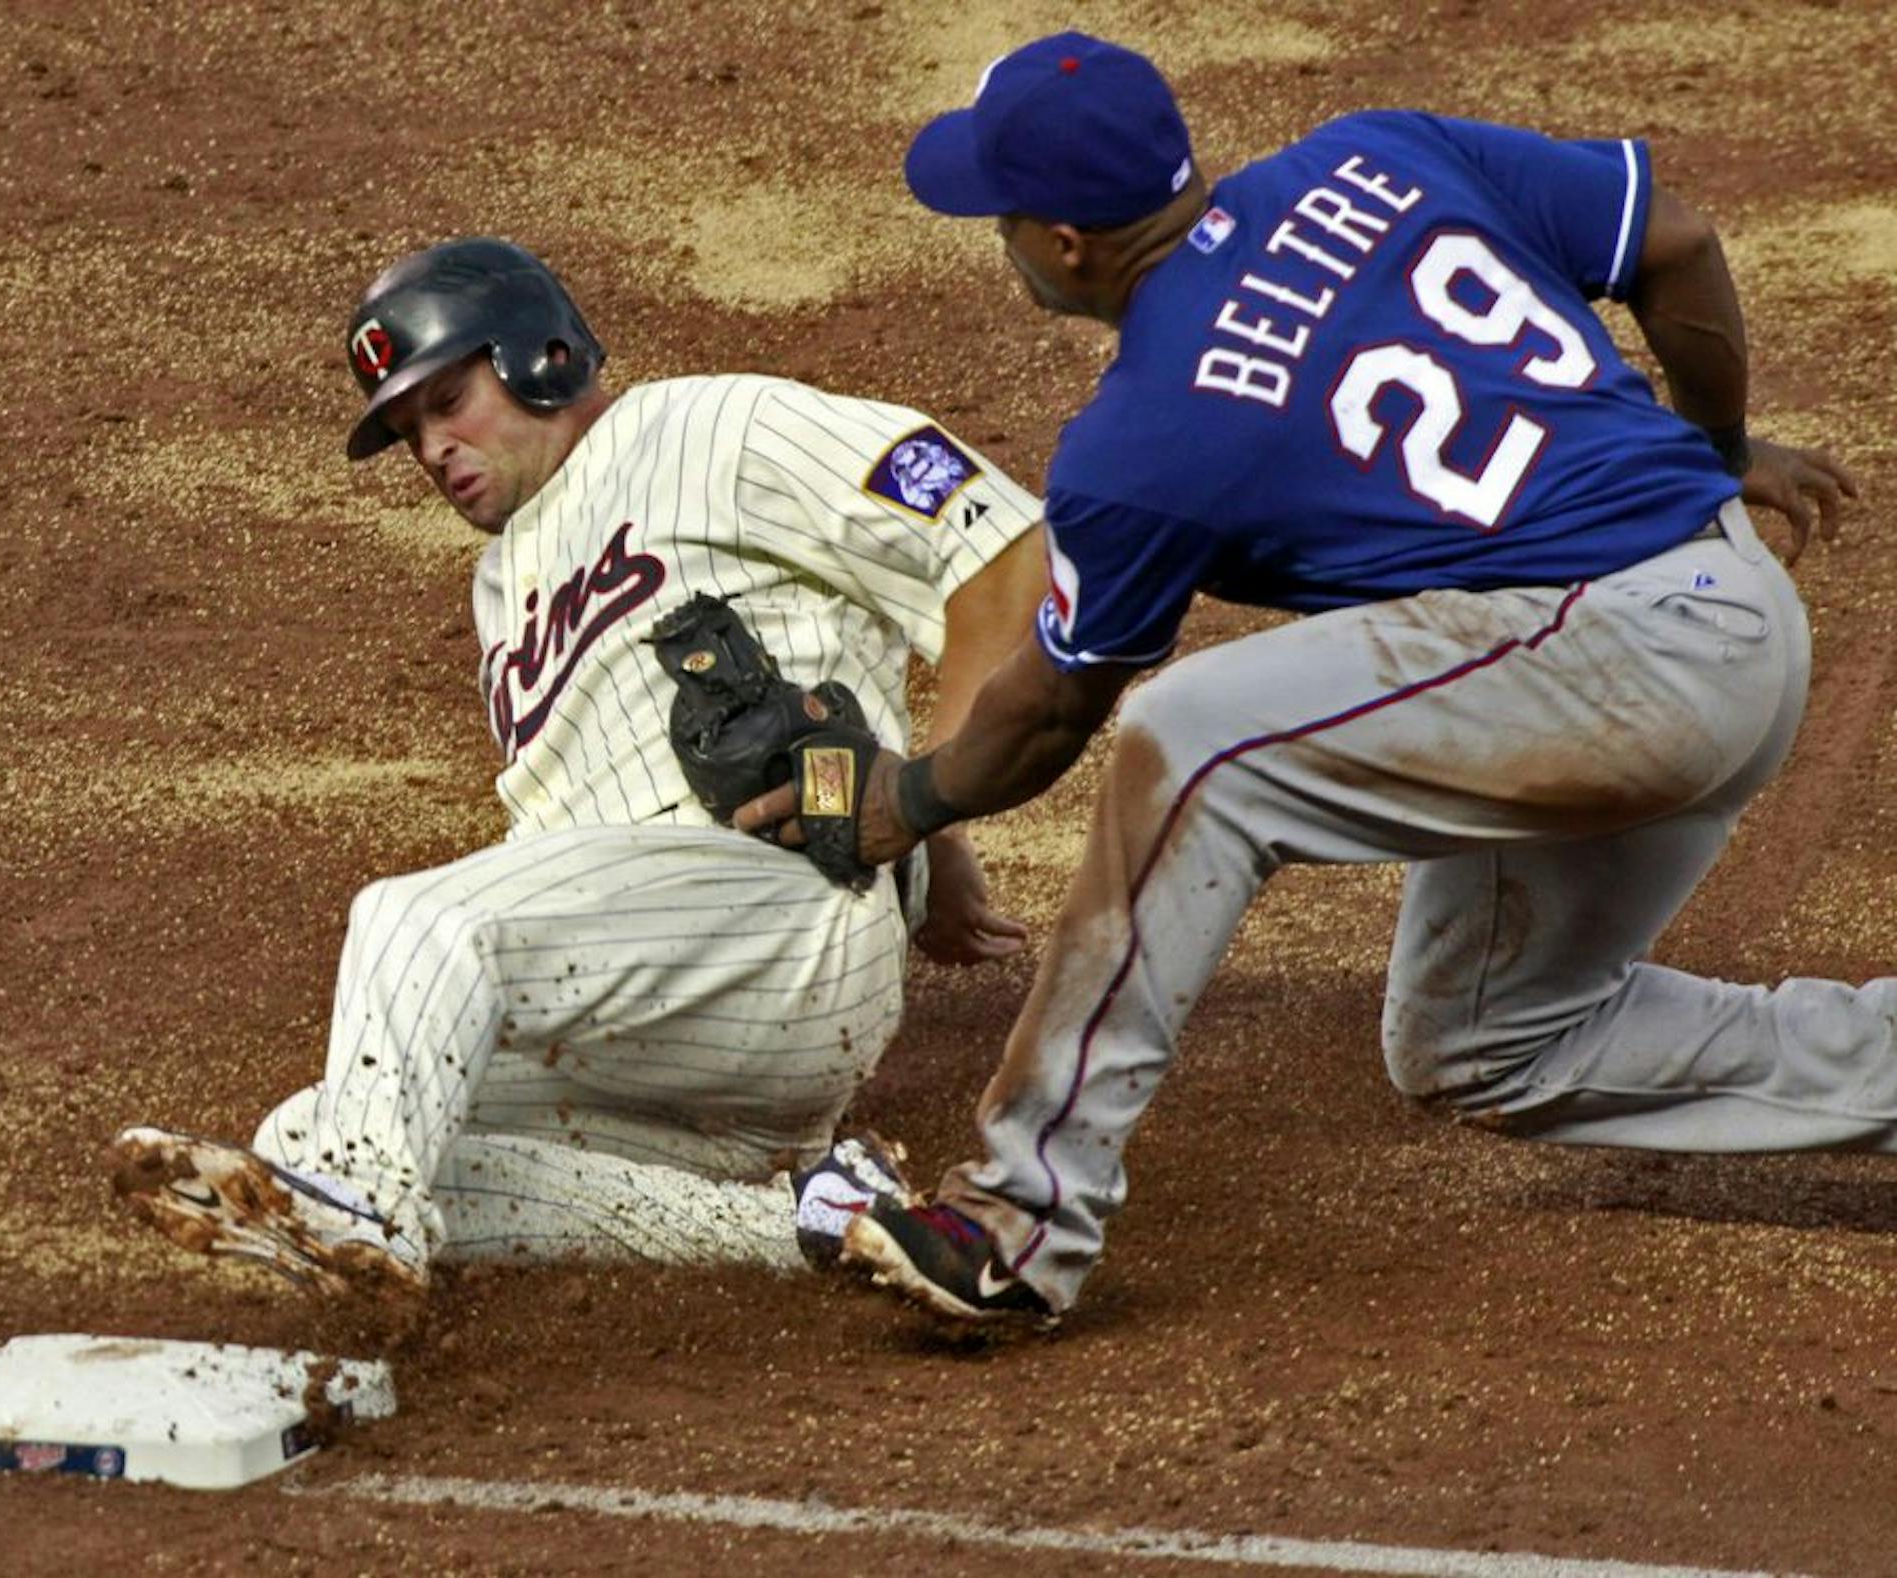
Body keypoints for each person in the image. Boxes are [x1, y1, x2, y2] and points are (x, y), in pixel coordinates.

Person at [746, 32, 1880, 1323]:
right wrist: (1716, 447)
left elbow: (1053, 711)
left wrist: (906, 798)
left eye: (1003, 218)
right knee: (1483, 1036)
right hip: (1726, 612)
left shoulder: (1142, 441)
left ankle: (1018, 1216)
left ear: (1065, 245)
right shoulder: (1375, 153)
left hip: (1629, 661)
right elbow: (1674, 241)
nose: (1000, 240)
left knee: (1193, 743)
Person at [109, 237, 1047, 1294]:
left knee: (415, 925)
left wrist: (929, 799)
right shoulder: (502, 591)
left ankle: (366, 1212)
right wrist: (935, 843)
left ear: (541, 357)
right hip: (665, 1022)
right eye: (410, 433)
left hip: (779, 925)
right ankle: (811, 1218)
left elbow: (1003, 550)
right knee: (308, 1136)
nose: (433, 449)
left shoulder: (710, 427)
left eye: (448, 401)